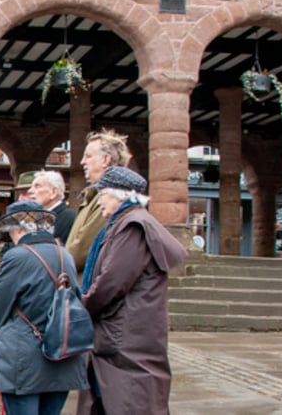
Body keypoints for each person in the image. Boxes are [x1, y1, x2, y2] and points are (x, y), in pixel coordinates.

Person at [76, 167, 187, 415]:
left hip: (125, 342)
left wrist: (81, 306)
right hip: (123, 337)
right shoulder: (126, 222)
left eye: (102, 194)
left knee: (130, 402)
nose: (99, 201)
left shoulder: (132, 226)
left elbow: (111, 283)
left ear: (119, 195)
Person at [0, 201, 88, 415]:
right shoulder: (65, 255)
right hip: (62, 353)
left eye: (11, 233)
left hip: (23, 358)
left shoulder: (17, 256)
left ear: (20, 229)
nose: (12, 240)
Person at [65, 128, 132, 273]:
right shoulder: (95, 195)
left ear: (106, 160)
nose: (83, 162)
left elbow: (80, 251)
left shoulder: (110, 197)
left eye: (88, 156)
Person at [28, 170, 76, 243]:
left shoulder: (69, 218)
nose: (30, 191)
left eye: (37, 186)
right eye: (31, 187)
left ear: (54, 192)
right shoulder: (32, 217)